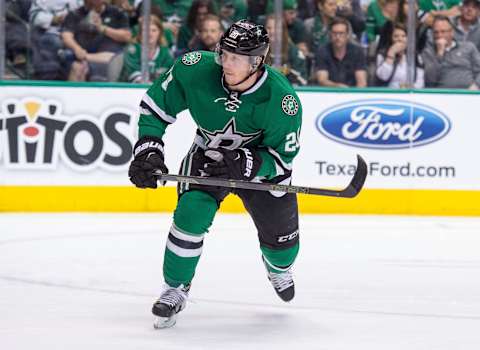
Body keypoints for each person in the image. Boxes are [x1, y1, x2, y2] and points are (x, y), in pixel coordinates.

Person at [128, 19, 302, 328]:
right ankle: (175, 288)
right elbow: (154, 108)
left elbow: (282, 159)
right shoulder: (195, 68)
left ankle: (277, 267)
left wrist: (249, 164)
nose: (226, 63)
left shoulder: (282, 100)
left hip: (260, 169)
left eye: (236, 58)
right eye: (224, 53)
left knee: (283, 247)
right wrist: (148, 148)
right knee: (190, 215)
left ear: (257, 62)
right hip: (208, 155)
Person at [61, 0, 131, 81]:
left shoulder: (117, 13)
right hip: (80, 55)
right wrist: (76, 48)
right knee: (77, 68)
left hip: (107, 59)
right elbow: (66, 36)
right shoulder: (75, 14)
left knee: (114, 58)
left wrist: (102, 28)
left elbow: (126, 36)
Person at [423, 15, 480, 88]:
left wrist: (476, 85)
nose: (439, 35)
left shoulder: (468, 47)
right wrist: (439, 54)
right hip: (441, 95)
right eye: (436, 32)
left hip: (469, 93)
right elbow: (429, 81)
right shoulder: (429, 52)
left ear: (452, 32)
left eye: (443, 31)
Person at [315, 17, 367, 87]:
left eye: (341, 33)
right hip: (329, 93)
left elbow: (362, 82)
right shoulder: (322, 51)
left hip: (352, 93)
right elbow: (322, 80)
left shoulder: (357, 52)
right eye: (334, 33)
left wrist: (353, 95)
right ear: (330, 34)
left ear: (347, 35)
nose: (337, 37)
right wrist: (338, 87)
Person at [120, 15, 174, 83]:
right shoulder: (132, 50)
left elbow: (169, 76)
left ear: (160, 33)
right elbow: (132, 73)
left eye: (154, 30)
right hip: (129, 90)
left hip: (156, 90)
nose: (150, 34)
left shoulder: (166, 53)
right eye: (146, 30)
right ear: (140, 33)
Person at [375, 22, 425, 88]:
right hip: (388, 94)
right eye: (396, 36)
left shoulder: (415, 56)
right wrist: (391, 53)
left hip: (410, 94)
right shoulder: (382, 55)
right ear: (390, 39)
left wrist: (411, 88)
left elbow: (420, 81)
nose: (400, 39)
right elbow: (383, 76)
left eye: (403, 36)